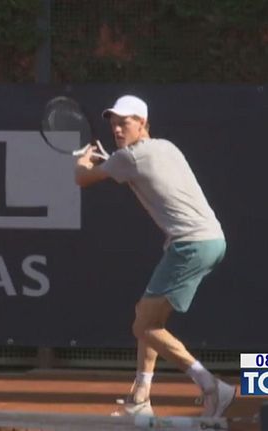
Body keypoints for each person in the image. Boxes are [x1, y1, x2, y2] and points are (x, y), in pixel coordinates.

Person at [74, 95, 234, 418]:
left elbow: (83, 179)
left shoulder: (128, 158)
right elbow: (136, 168)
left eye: (125, 122)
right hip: (212, 239)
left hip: (190, 244)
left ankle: (212, 386)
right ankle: (141, 396)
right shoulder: (166, 147)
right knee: (147, 316)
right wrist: (111, 162)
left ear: (143, 123)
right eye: (114, 124)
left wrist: (82, 160)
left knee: (143, 325)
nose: (117, 129)